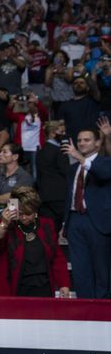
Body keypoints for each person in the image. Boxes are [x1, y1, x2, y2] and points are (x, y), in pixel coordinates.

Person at [0, 187, 71, 297]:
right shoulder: (6, 225)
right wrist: (4, 224)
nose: (24, 217)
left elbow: (57, 256)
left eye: (28, 213)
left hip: (43, 287)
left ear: (35, 210)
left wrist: (63, 284)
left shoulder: (47, 225)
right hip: (14, 288)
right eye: (20, 213)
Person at [62, 128, 111, 298]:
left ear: (98, 142)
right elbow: (70, 195)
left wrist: (81, 159)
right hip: (75, 220)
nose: (82, 143)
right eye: (79, 140)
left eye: (87, 140)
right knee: (80, 268)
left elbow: (104, 174)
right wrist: (65, 222)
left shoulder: (106, 162)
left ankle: (103, 309)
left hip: (97, 221)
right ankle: (85, 307)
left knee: (101, 268)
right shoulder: (73, 167)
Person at [35, 121, 69, 230]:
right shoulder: (60, 151)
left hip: (44, 196)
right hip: (59, 196)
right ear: (52, 133)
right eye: (61, 132)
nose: (64, 134)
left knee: (49, 230)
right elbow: (66, 170)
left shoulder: (41, 151)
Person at [0, 143, 34, 213]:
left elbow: (13, 199)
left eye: (4, 152)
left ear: (15, 157)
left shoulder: (24, 177)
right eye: (0, 151)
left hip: (12, 215)